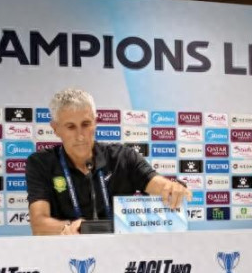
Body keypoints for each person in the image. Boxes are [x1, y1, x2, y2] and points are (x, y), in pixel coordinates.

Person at [26, 88, 191, 235]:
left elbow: (157, 184)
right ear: (55, 128)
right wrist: (69, 227)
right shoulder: (40, 163)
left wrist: (171, 188)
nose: (80, 135)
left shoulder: (123, 157)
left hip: (122, 252)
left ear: (95, 122)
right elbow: (38, 224)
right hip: (67, 251)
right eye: (71, 127)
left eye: (86, 124)